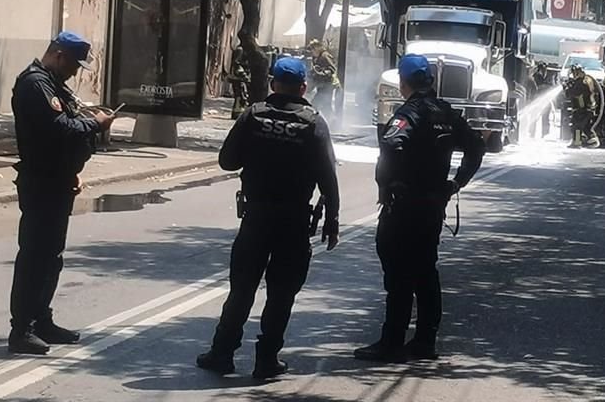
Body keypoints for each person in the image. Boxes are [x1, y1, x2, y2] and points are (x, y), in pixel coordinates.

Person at [197, 57, 340, 380]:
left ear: (273, 83)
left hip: (257, 217)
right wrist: (332, 218)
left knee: (242, 288)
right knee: (282, 293)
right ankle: (266, 359)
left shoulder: (254, 115)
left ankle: (222, 353)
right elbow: (328, 177)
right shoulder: (313, 122)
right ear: (304, 88)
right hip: (293, 222)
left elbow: (227, 161)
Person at [354, 54, 485, 363]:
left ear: (403, 82)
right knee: (426, 271)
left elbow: (392, 143)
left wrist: (390, 182)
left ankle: (392, 342)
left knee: (398, 273)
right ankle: (425, 340)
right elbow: (476, 147)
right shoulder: (447, 113)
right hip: (432, 205)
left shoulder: (409, 113)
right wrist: (456, 183)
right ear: (431, 81)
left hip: (405, 205)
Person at [8, 31, 116, 355]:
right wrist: (96, 125)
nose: (75, 71)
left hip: (57, 181)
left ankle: (42, 319)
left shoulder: (54, 86)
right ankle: (21, 329)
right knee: (34, 258)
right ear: (57, 54)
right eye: (72, 63)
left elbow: (69, 123)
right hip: (41, 182)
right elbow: (59, 129)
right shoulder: (34, 84)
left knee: (50, 258)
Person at [562, 63, 601, 148]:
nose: (572, 75)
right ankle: (592, 140)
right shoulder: (585, 80)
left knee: (577, 126)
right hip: (585, 108)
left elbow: (573, 93)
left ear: (577, 72)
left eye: (573, 73)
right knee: (586, 127)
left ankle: (577, 143)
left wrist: (567, 87)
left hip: (583, 108)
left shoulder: (582, 82)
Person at [308, 39, 339, 118]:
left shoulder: (325, 56)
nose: (312, 51)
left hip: (327, 85)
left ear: (317, 48)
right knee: (326, 106)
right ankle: (333, 122)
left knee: (315, 104)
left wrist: (323, 72)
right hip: (322, 85)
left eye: (313, 49)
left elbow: (332, 68)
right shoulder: (316, 58)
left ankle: (314, 120)